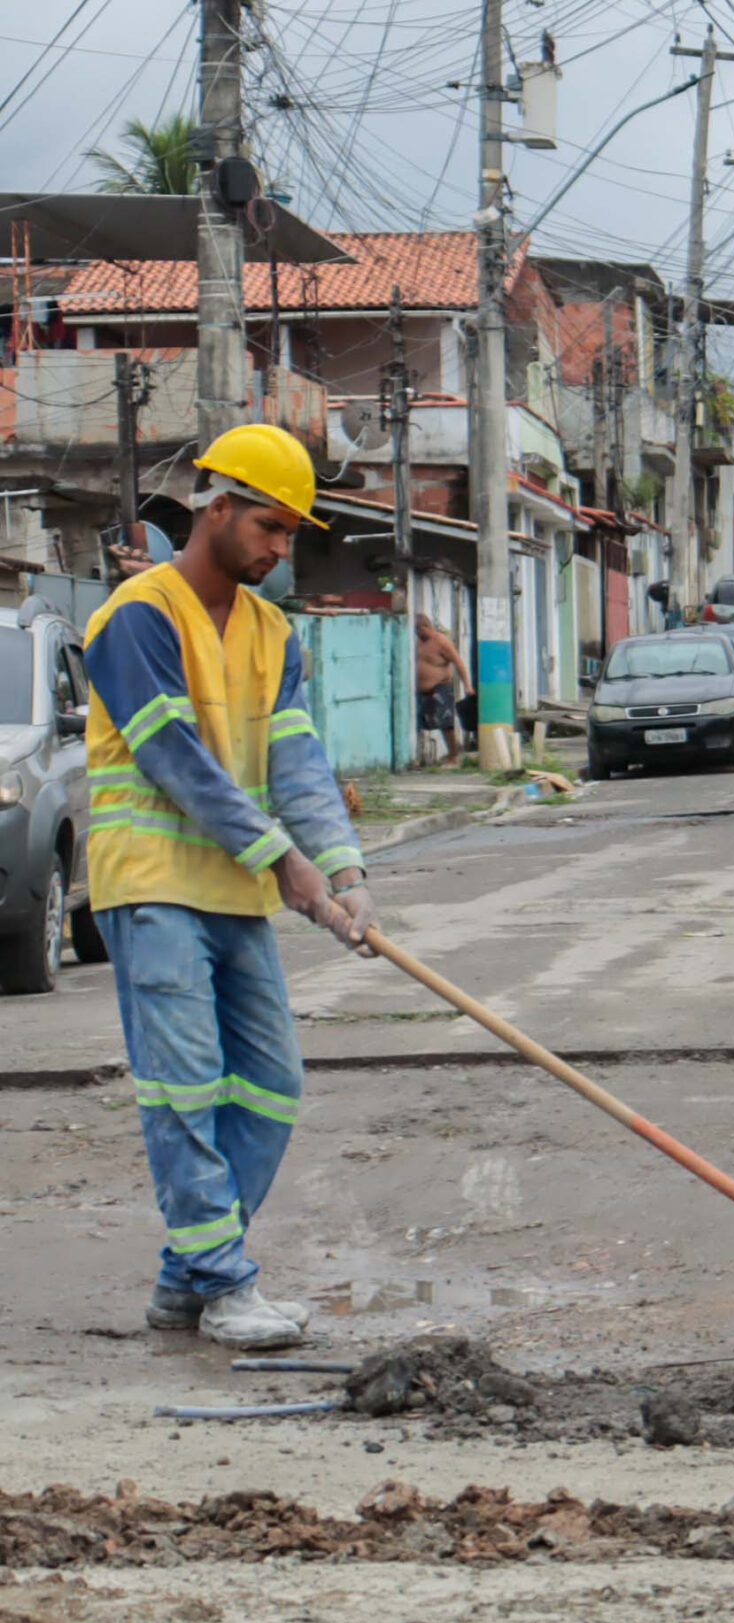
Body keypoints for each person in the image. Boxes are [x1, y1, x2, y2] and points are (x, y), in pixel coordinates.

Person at [82, 423, 375, 1352]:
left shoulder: (272, 633)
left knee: (273, 1085)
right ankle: (222, 1280)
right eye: (272, 527)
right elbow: (174, 757)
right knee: (183, 1087)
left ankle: (185, 1274)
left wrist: (343, 868)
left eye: (292, 533)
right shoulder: (137, 616)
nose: (283, 549)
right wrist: (280, 858)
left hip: (238, 894)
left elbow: (296, 761)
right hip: (153, 884)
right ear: (219, 508)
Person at [414, 613, 470, 768]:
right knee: (424, 723)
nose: (418, 634)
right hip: (424, 691)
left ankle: (454, 756)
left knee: (446, 724)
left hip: (441, 687)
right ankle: (421, 757)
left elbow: (459, 663)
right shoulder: (419, 642)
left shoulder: (441, 641)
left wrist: (468, 686)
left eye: (419, 630)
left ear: (426, 626)